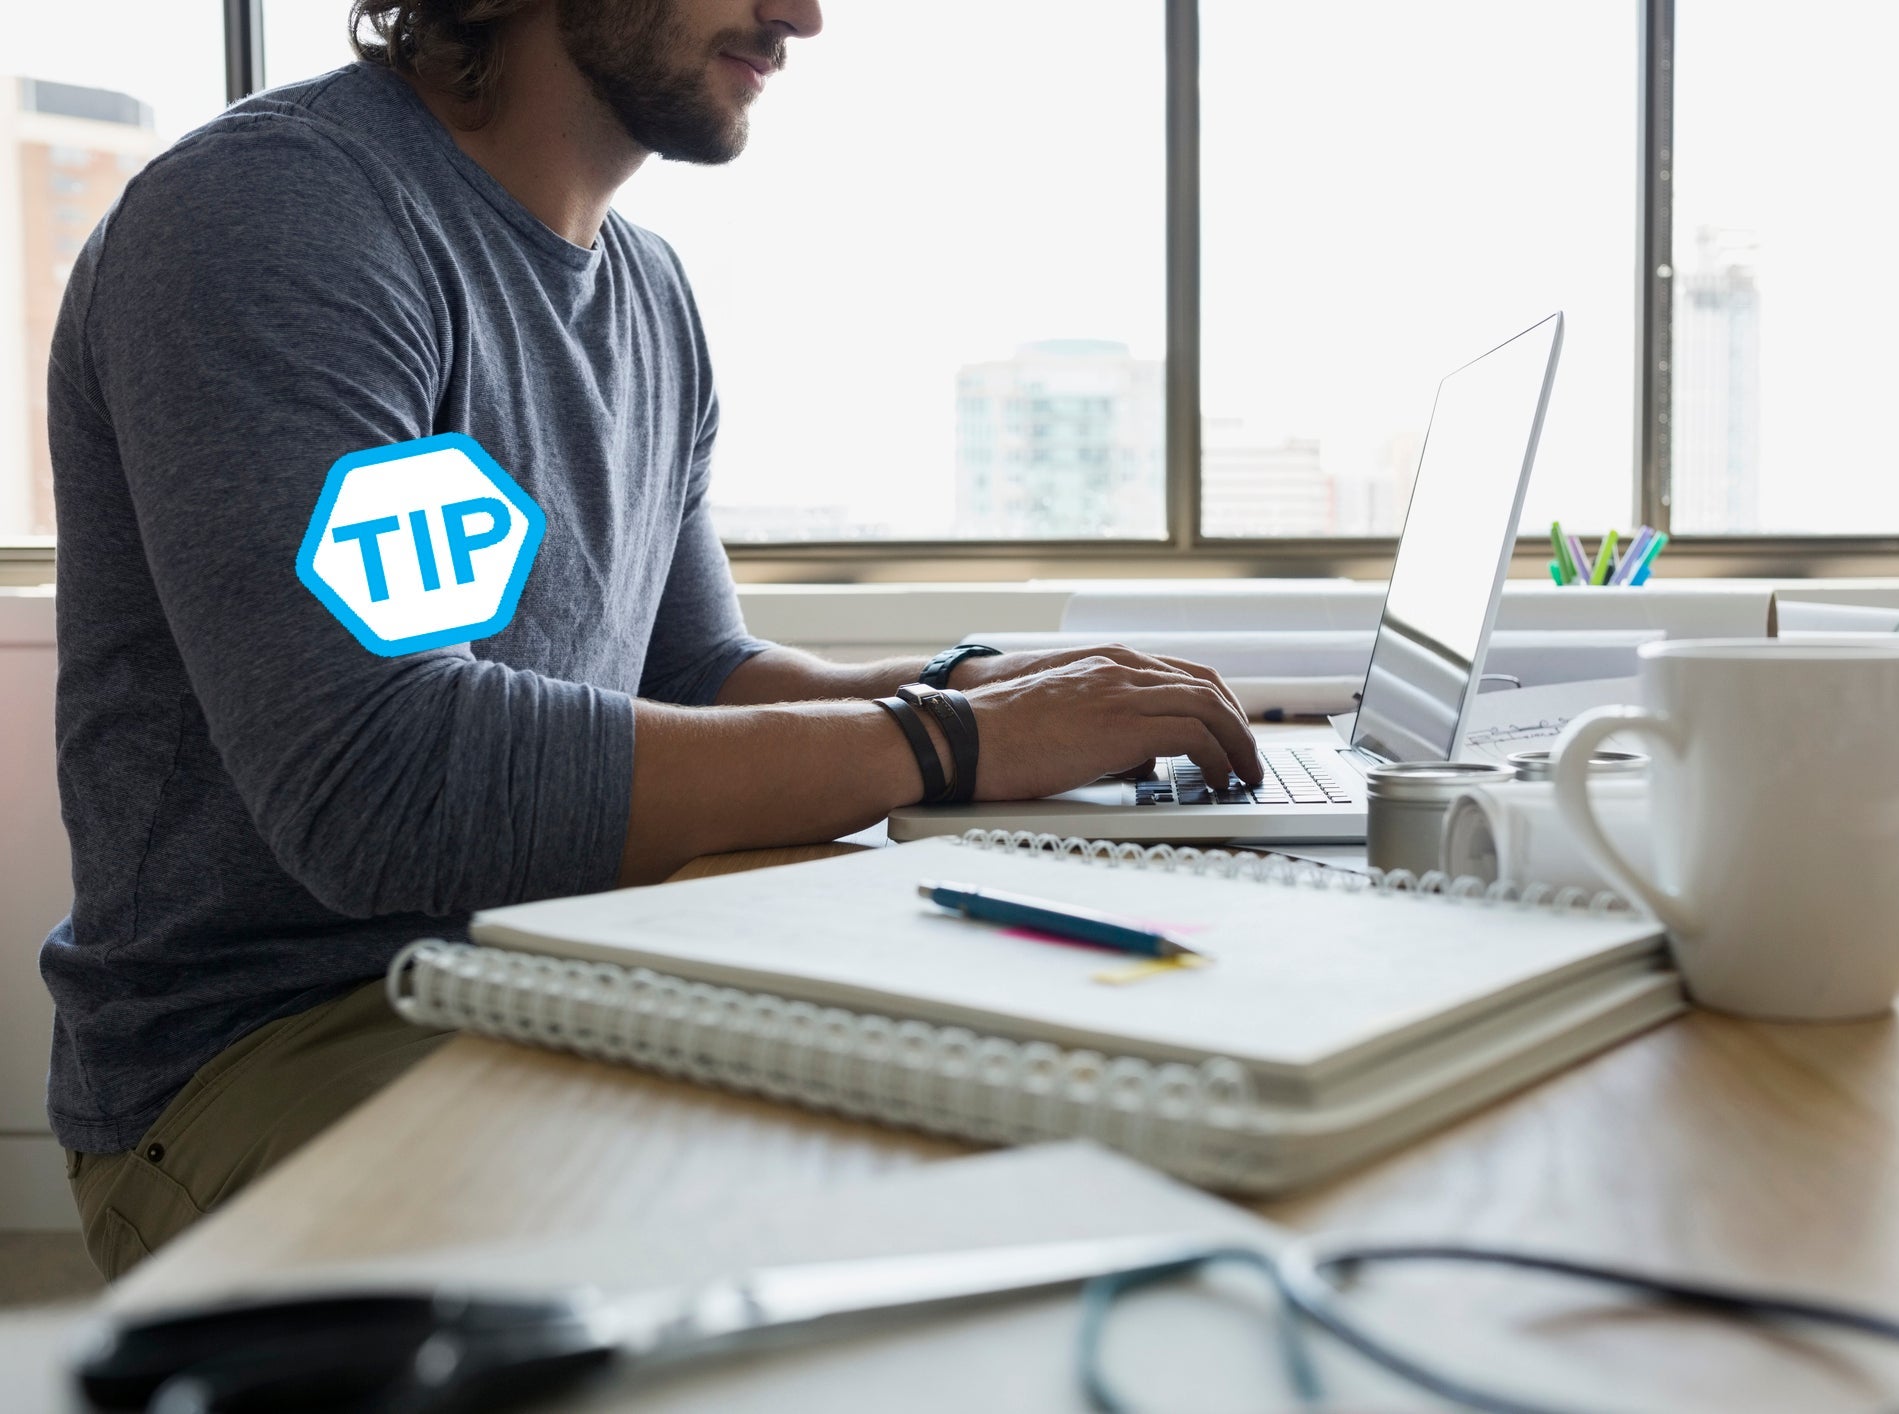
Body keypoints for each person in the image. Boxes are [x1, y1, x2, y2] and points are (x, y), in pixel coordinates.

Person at [43, 0, 1260, 1279]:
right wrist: (949, 739)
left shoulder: (649, 289)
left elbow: (693, 674)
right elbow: (381, 780)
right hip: (278, 1042)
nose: (803, 14)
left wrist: (981, 692)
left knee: (1069, 1144)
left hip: (552, 976)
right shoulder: (282, 215)